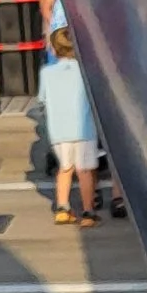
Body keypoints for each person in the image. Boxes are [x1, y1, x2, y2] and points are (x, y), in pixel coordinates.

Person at [39, 26, 104, 223]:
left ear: (54, 49)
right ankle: (88, 211)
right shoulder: (87, 72)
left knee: (64, 169)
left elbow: (43, 99)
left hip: (59, 130)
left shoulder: (47, 73)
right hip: (84, 129)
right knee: (84, 171)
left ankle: (62, 207)